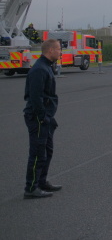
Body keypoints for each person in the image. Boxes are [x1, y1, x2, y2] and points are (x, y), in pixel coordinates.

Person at [23, 38, 62, 199]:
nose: (60, 52)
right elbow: (35, 97)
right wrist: (43, 118)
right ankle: (31, 188)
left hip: (46, 117)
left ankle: (41, 182)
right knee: (38, 153)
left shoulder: (46, 66)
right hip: (38, 118)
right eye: (58, 49)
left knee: (47, 151)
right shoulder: (39, 69)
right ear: (50, 50)